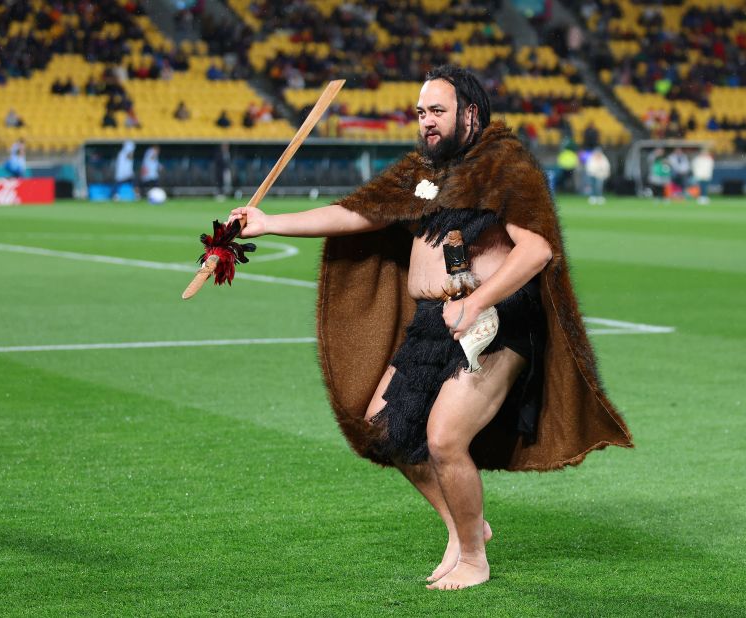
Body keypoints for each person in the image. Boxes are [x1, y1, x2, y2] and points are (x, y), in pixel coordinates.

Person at [225, 65, 632, 590]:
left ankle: (472, 560)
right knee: (387, 429)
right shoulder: (422, 170)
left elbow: (536, 250)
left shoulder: (505, 166)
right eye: (420, 113)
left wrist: (477, 300)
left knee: (443, 438)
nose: (426, 122)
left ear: (470, 113)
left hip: (494, 321)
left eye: (436, 111)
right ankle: (465, 530)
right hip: (432, 322)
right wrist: (270, 223)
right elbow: (358, 214)